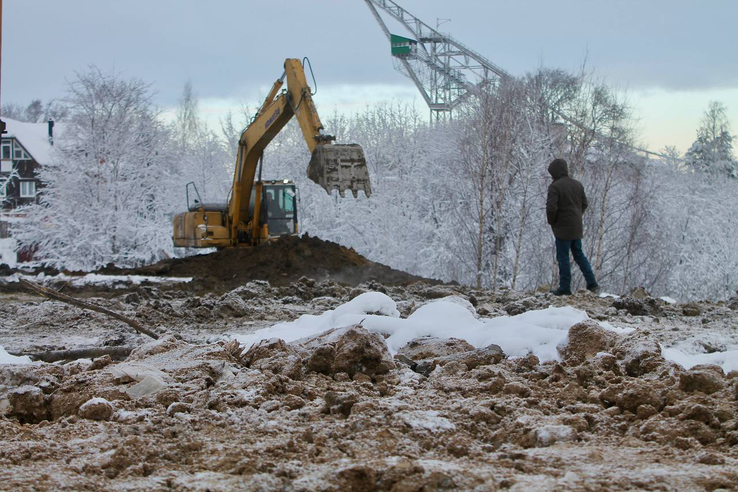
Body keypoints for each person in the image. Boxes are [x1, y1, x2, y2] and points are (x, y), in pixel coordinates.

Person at [546, 158, 599, 296]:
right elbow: (584, 204)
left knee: (563, 258)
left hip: (562, 228)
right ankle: (592, 283)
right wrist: (576, 216)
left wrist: (553, 222)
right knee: (579, 255)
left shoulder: (555, 187)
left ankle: (565, 288)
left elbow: (551, 209)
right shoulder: (577, 184)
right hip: (576, 226)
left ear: (555, 172)